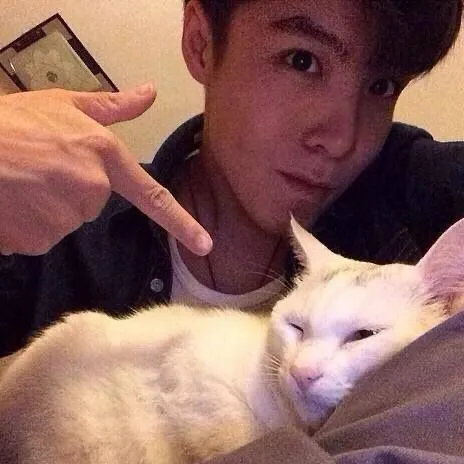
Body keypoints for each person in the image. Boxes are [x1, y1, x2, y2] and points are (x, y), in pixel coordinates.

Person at [1, 0, 463, 461]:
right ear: (201, 43)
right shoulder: (58, 228)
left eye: (381, 86)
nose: (340, 139)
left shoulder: (405, 192)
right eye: (302, 60)